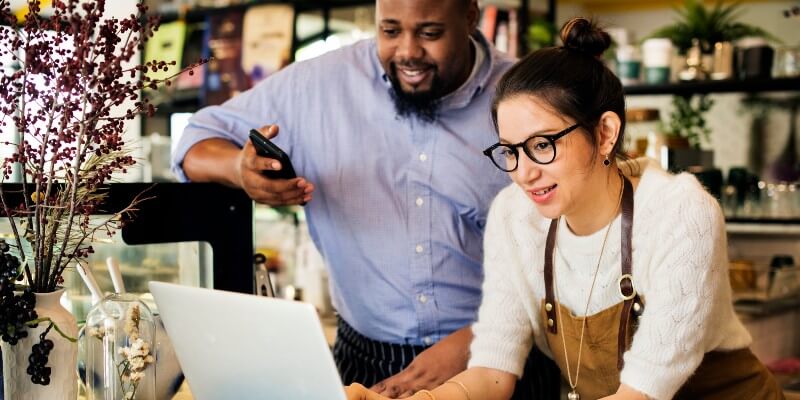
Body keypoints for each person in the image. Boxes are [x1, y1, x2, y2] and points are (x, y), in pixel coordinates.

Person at [345, 17, 785, 400]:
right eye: (510, 151)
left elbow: (643, 390)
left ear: (605, 133)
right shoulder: (514, 216)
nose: (523, 173)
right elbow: (493, 371)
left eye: (542, 145)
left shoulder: (679, 212)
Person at [172, 0, 563, 398]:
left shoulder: (529, 97)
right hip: (367, 365)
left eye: (430, 33)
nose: (408, 51)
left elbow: (581, 247)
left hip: (507, 358)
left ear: (469, 18)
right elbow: (195, 140)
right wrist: (239, 169)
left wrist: (480, 340)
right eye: (390, 31)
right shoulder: (317, 86)